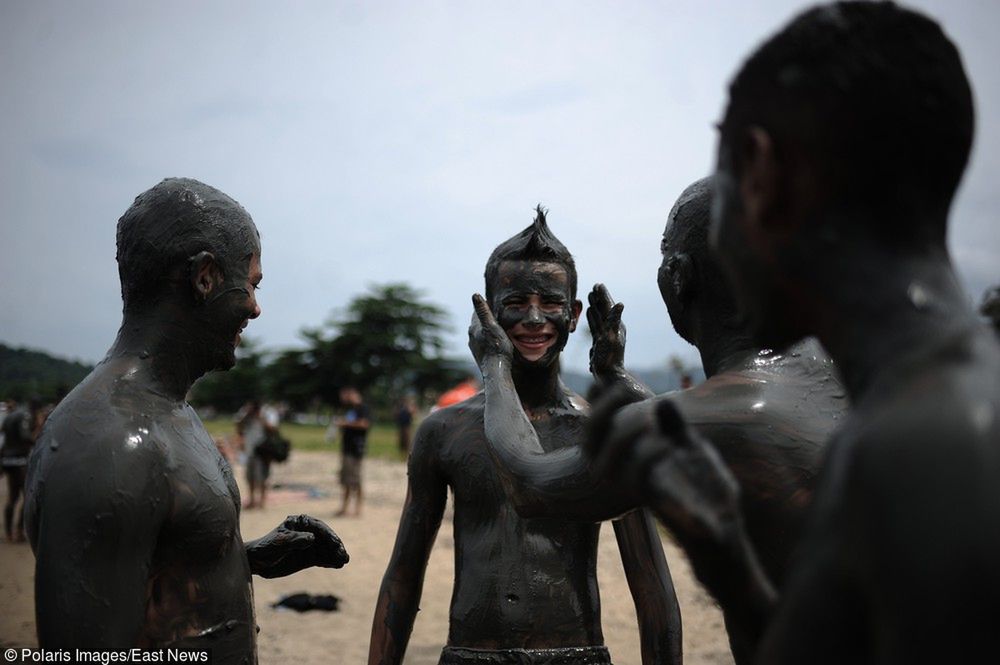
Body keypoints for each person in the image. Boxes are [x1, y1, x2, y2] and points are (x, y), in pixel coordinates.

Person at [586, 4, 1000, 663]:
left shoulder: (927, 442)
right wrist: (729, 568)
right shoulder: (895, 414)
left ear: (760, 174)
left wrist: (493, 363)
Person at [24, 178, 348, 658]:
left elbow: (156, 571)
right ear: (206, 277)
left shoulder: (170, 412)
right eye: (252, 285)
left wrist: (243, 557)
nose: (255, 309)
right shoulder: (112, 443)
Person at [471, 178, 846, 590]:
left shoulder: (729, 413)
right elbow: (705, 432)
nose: (535, 318)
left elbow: (527, 484)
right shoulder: (843, 368)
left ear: (679, 276)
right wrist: (616, 377)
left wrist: (493, 363)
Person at [370, 207, 681, 665]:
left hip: (578, 655)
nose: (534, 319)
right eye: (516, 303)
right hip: (471, 656)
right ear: (488, 314)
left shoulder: (601, 430)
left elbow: (652, 585)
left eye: (551, 304)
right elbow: (403, 574)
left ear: (574, 315)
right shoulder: (444, 430)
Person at [1, 398, 42, 542]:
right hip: (20, 461)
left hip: (7, 459)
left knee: (12, 498)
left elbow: (4, 435)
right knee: (27, 497)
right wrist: (38, 435)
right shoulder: (26, 415)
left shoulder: (11, 415)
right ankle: (19, 530)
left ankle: (8, 533)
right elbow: (25, 436)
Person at [335, 387, 369, 517]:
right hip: (346, 448)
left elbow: (364, 424)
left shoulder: (363, 409)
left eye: (347, 395)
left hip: (356, 449)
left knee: (356, 479)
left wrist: (345, 423)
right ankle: (344, 507)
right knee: (345, 480)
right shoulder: (350, 410)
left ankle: (358, 508)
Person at [238, 400, 270, 509]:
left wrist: (261, 418)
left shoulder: (265, 416)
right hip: (249, 452)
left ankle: (262, 501)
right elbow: (238, 426)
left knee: (261, 478)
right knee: (250, 478)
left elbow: (273, 429)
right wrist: (246, 414)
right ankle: (252, 500)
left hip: (261, 453)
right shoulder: (247, 419)